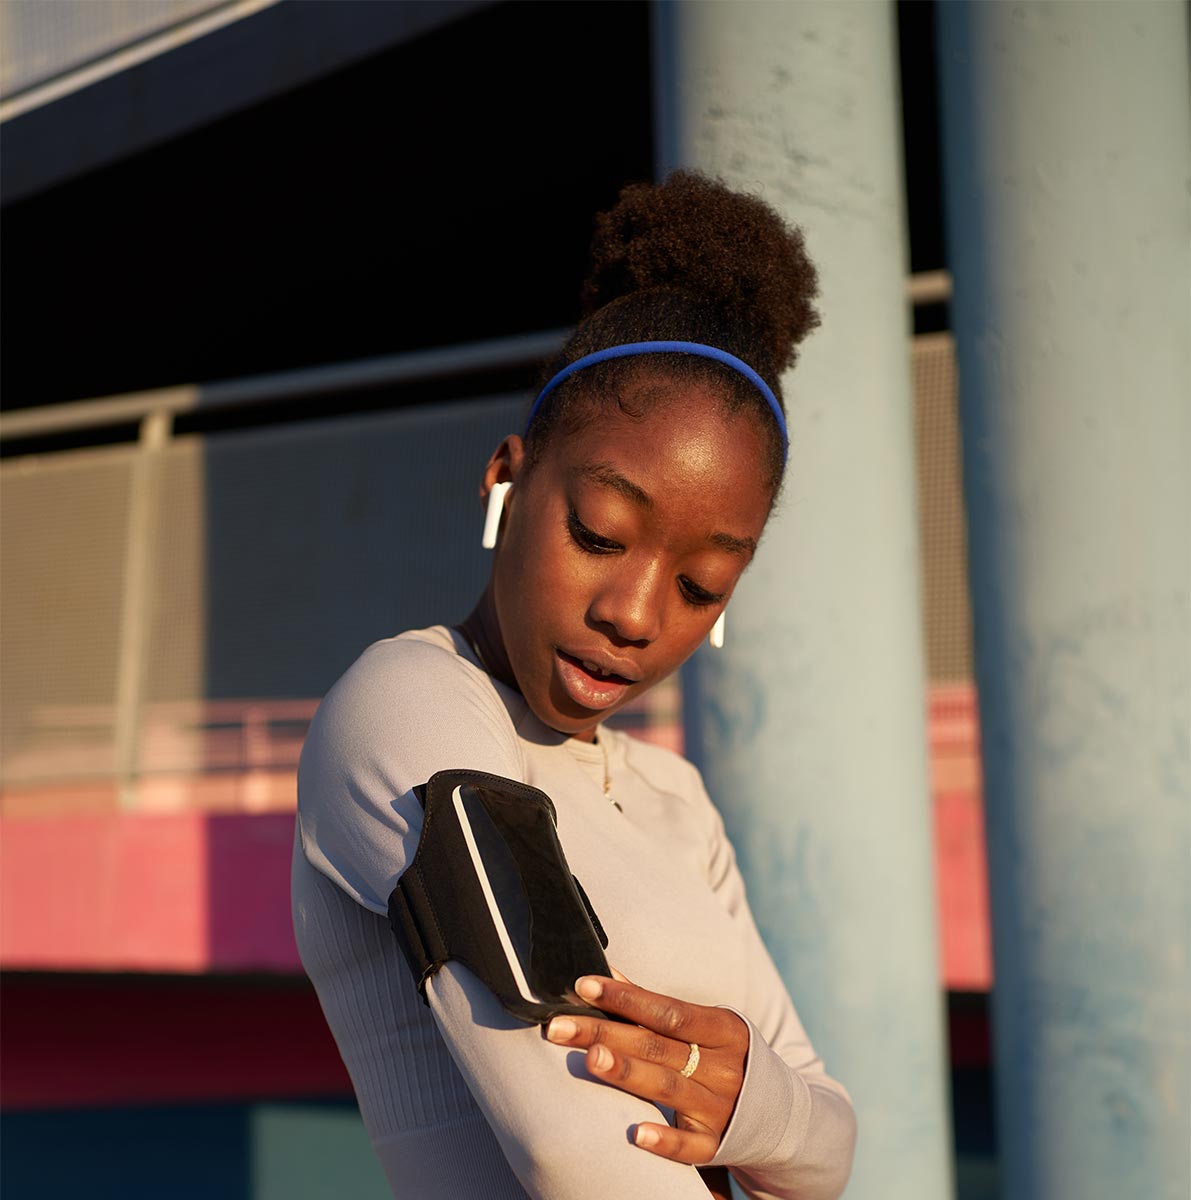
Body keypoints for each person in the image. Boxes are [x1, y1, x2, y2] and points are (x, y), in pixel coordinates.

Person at [292, 171, 857, 1199]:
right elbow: (577, 1151)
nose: (634, 616)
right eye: (599, 534)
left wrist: (768, 1109)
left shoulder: (675, 801)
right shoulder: (410, 706)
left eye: (699, 585)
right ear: (507, 480)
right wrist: (766, 1123)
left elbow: (834, 1141)